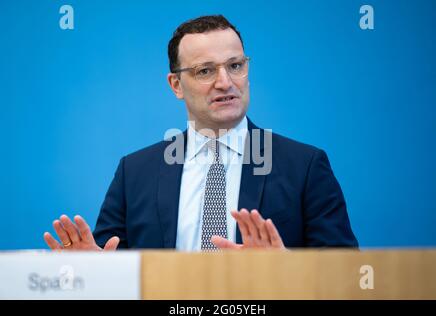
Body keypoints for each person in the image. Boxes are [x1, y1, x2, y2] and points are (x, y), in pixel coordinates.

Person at [43, 15, 358, 251]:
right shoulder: (134, 172)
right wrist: (90, 271)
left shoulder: (304, 166)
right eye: (205, 71)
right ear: (176, 85)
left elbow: (344, 274)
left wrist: (286, 269)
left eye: (235, 65)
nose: (225, 82)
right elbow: (109, 266)